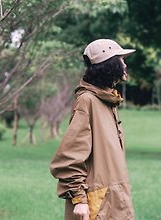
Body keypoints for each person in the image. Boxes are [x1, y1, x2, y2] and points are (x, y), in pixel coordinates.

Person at [50, 39, 135, 220]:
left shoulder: (108, 100)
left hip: (115, 199)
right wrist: (79, 200)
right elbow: (68, 157)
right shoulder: (87, 100)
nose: (125, 65)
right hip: (96, 204)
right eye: (121, 59)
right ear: (110, 65)